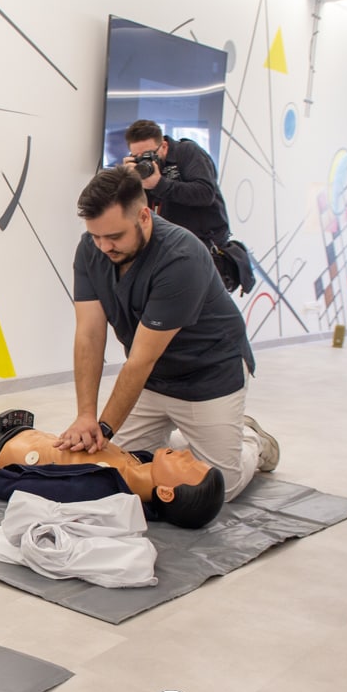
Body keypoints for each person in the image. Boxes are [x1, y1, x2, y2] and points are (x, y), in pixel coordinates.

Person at [55, 167, 279, 504]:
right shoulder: (92, 248)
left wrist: (104, 429)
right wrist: (86, 415)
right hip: (154, 380)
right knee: (118, 470)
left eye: (114, 236)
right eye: (96, 236)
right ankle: (190, 440)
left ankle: (250, 438)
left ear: (144, 216)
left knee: (217, 488)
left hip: (208, 376)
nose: (103, 246)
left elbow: (140, 361)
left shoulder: (181, 256)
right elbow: (88, 334)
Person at [0, 411, 226, 528]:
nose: (186, 454)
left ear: (166, 493)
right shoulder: (141, 461)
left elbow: (18, 488)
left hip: (2, 450)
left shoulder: (99, 489)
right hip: (32, 436)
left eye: (188, 465)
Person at [123, 119, 254, 294]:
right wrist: (130, 182)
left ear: (164, 145)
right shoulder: (142, 174)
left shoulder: (187, 152)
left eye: (149, 155)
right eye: (138, 157)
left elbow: (205, 193)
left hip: (203, 250)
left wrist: (159, 184)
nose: (145, 162)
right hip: (168, 252)